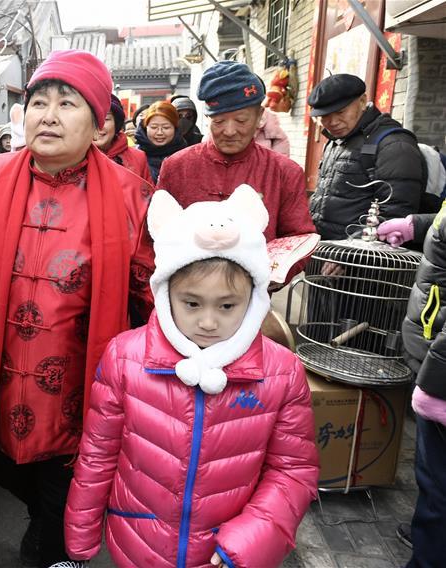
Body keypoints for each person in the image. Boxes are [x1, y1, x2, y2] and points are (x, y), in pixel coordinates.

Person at [0, 49, 155, 568]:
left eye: (66, 103)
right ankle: (42, 522)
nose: (47, 114)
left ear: (97, 126)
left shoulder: (131, 195)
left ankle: (53, 545)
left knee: (63, 483)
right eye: (38, 101)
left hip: (78, 380)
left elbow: (147, 293)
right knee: (8, 469)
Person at [65, 186, 319, 567]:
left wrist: (249, 541)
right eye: (192, 303)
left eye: (228, 305)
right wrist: (81, 535)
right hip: (139, 543)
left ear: (255, 298)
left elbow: (293, 471)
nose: (208, 321)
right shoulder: (125, 357)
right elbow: (98, 454)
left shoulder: (281, 372)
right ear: (165, 293)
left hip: (223, 555)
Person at [158, 60, 315, 282]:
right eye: (219, 121)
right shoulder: (177, 166)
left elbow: (298, 239)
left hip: (255, 297)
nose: (230, 131)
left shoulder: (284, 171)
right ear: (208, 118)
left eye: (241, 120)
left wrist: (269, 276)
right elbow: (158, 231)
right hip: (186, 295)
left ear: (260, 116)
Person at [377, 212, 446, 566]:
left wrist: (439, 382)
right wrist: (420, 226)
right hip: (434, 351)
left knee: (438, 484)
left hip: (441, 372)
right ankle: (427, 532)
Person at [308, 74, 426, 240]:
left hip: (360, 257)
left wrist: (350, 253)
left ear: (362, 102)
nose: (332, 122)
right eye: (324, 116)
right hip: (326, 249)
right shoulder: (336, 141)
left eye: (340, 112)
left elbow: (395, 213)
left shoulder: (394, 144)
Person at [95, 94, 151, 183]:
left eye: (106, 119)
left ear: (116, 123)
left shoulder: (138, 158)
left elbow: (146, 194)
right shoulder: (71, 158)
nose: (98, 126)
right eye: (91, 119)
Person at [135, 100, 188, 183]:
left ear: (175, 128)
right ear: (146, 127)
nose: (159, 133)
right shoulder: (134, 156)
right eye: (154, 127)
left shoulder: (186, 156)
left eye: (166, 127)